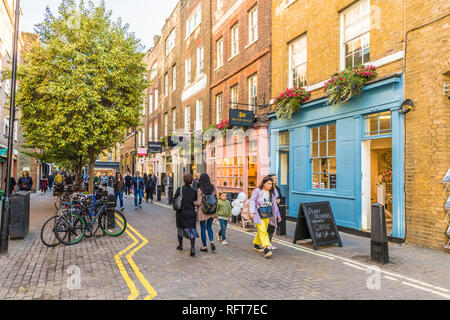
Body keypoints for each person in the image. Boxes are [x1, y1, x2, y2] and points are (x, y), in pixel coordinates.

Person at [249, 176, 281, 259]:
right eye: (268, 183)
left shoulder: (272, 193)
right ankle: (266, 248)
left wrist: (278, 215)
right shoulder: (257, 191)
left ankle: (256, 245)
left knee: (262, 231)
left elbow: (274, 205)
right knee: (263, 231)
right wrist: (252, 211)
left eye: (271, 184)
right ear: (264, 183)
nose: (270, 185)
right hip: (258, 214)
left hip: (267, 214)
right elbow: (252, 201)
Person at [174, 174, 199, 257]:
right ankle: (192, 248)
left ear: (184, 180)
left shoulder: (180, 189)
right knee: (192, 230)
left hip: (181, 213)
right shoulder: (193, 191)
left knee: (180, 229)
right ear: (191, 181)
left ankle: (180, 245)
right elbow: (195, 200)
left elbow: (175, 199)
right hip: (191, 213)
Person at [194, 173, 218, 252]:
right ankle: (212, 241)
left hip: (203, 211)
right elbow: (216, 198)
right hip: (212, 210)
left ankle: (204, 246)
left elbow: (198, 202)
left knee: (203, 229)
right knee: (209, 227)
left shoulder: (200, 189)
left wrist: (192, 202)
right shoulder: (213, 188)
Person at [267, 174, 284, 250]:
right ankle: (267, 243)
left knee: (273, 227)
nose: (275, 179)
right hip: (269, 210)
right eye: (273, 178)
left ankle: (269, 243)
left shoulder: (277, 188)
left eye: (276, 178)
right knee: (269, 227)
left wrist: (279, 200)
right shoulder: (268, 189)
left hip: (276, 211)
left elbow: (281, 198)